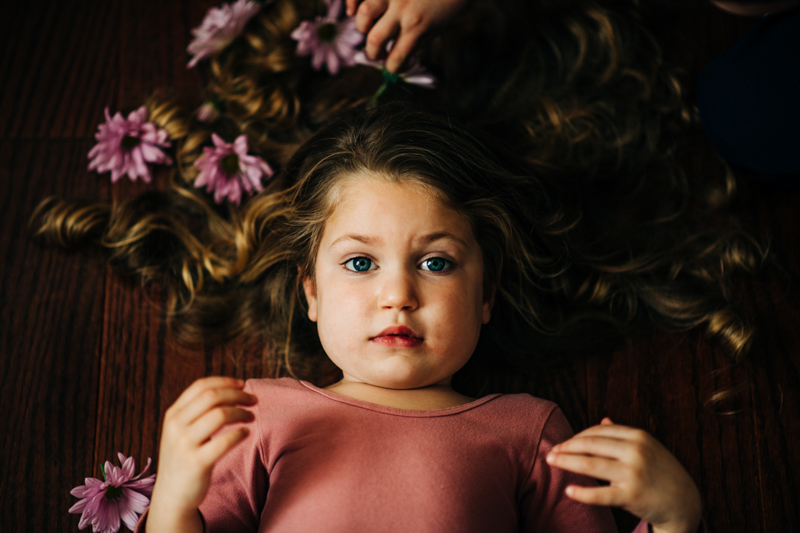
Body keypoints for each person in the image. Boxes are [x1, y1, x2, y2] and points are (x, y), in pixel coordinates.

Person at [82, 106, 703, 533]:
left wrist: (676, 516)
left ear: (485, 297)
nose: (398, 294)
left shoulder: (527, 431)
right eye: (359, 262)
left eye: (435, 262)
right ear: (311, 295)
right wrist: (176, 494)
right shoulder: (253, 415)